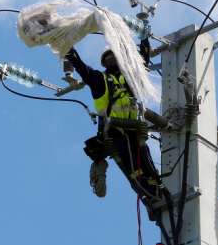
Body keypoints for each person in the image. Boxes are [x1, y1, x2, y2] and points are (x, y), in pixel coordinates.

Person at [64, 38, 160, 205]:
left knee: (148, 166)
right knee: (135, 171)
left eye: (113, 56)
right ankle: (152, 198)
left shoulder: (130, 79)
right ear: (104, 63)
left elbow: (142, 64)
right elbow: (81, 68)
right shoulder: (100, 80)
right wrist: (66, 45)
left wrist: (144, 41)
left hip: (135, 131)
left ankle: (157, 193)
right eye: (107, 58)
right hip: (116, 132)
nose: (111, 60)